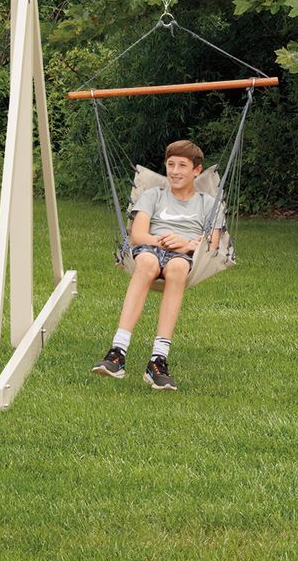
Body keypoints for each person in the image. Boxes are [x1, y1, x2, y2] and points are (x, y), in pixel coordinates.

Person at [91, 139, 218, 390]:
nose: (175, 171)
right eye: (170, 164)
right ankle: (117, 352)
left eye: (182, 165)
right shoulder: (154, 195)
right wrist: (167, 243)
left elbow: (212, 243)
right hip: (150, 247)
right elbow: (137, 235)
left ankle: (158, 360)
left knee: (178, 269)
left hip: (183, 256)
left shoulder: (207, 203)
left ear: (197, 171)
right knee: (147, 263)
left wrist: (186, 244)